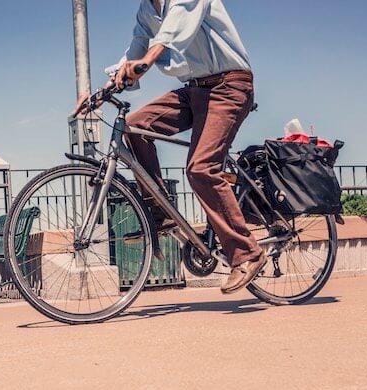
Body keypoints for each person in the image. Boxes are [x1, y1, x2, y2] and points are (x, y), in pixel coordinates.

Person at [77, 0, 265, 294]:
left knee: (201, 168)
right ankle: (159, 213)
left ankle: (246, 253)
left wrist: (148, 61)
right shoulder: (146, 10)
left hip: (229, 85)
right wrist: (101, 91)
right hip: (196, 89)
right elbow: (135, 49)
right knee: (136, 126)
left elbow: (173, 30)